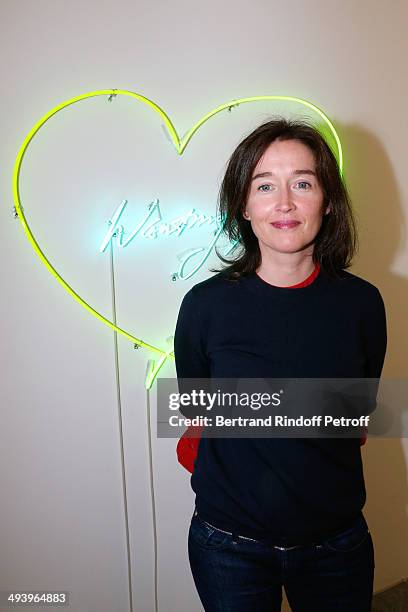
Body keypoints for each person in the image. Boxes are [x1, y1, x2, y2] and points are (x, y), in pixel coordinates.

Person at [173, 118, 387, 611]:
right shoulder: (204, 306)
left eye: (303, 183)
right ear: (244, 206)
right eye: (264, 185)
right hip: (228, 545)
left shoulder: (363, 304)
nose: (284, 202)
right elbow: (197, 415)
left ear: (328, 200)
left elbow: (357, 415)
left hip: (337, 544)